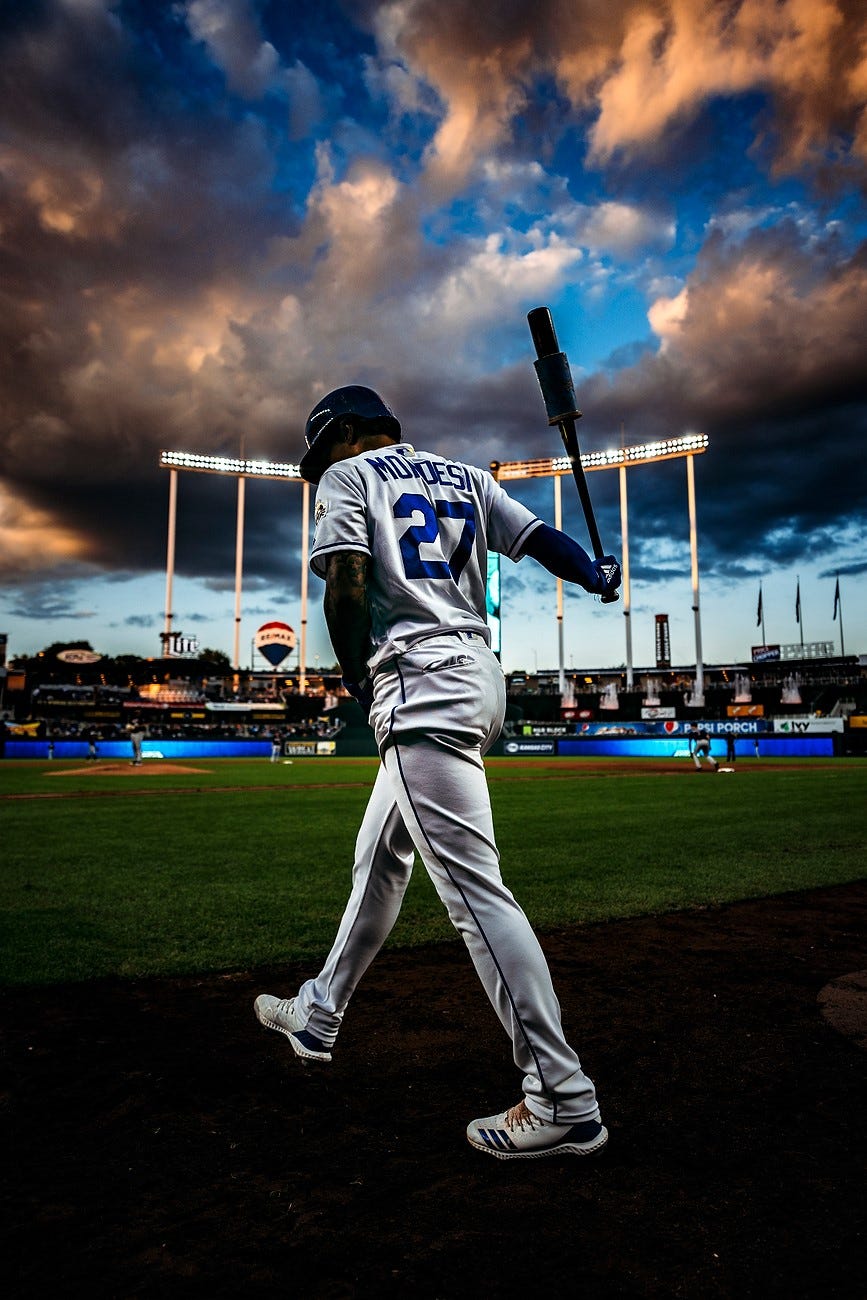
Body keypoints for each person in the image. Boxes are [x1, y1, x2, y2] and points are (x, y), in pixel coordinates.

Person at [254, 385, 621, 1160]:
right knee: (380, 859)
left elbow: (348, 578)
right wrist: (593, 574)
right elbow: (540, 539)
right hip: (475, 675)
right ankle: (319, 1012)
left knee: (474, 895)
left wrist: (357, 678)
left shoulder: (349, 478)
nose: (319, 468)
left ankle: (562, 1098)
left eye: (323, 450)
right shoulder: (464, 475)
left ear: (352, 433)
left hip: (416, 683)